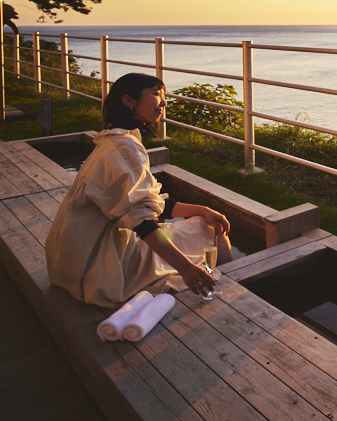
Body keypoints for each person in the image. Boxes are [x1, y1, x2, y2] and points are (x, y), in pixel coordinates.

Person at [46, 73, 232, 307]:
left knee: (204, 219)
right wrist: (186, 268)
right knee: (211, 230)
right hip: (96, 264)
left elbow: (144, 203)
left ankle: (219, 280)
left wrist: (201, 208)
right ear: (128, 101)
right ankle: (229, 290)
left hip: (70, 259)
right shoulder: (125, 149)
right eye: (156, 94)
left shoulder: (112, 140)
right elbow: (142, 222)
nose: (164, 102)